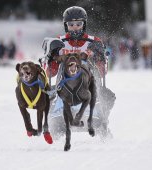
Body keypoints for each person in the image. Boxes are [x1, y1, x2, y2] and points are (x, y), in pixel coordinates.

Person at [41, 6, 116, 137]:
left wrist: (99, 57)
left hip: (89, 80)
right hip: (63, 81)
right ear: (66, 25)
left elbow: (103, 71)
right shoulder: (59, 41)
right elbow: (50, 72)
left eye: (78, 24)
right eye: (71, 24)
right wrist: (51, 57)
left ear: (84, 24)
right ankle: (59, 111)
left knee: (108, 96)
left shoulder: (94, 41)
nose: (75, 27)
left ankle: (97, 114)